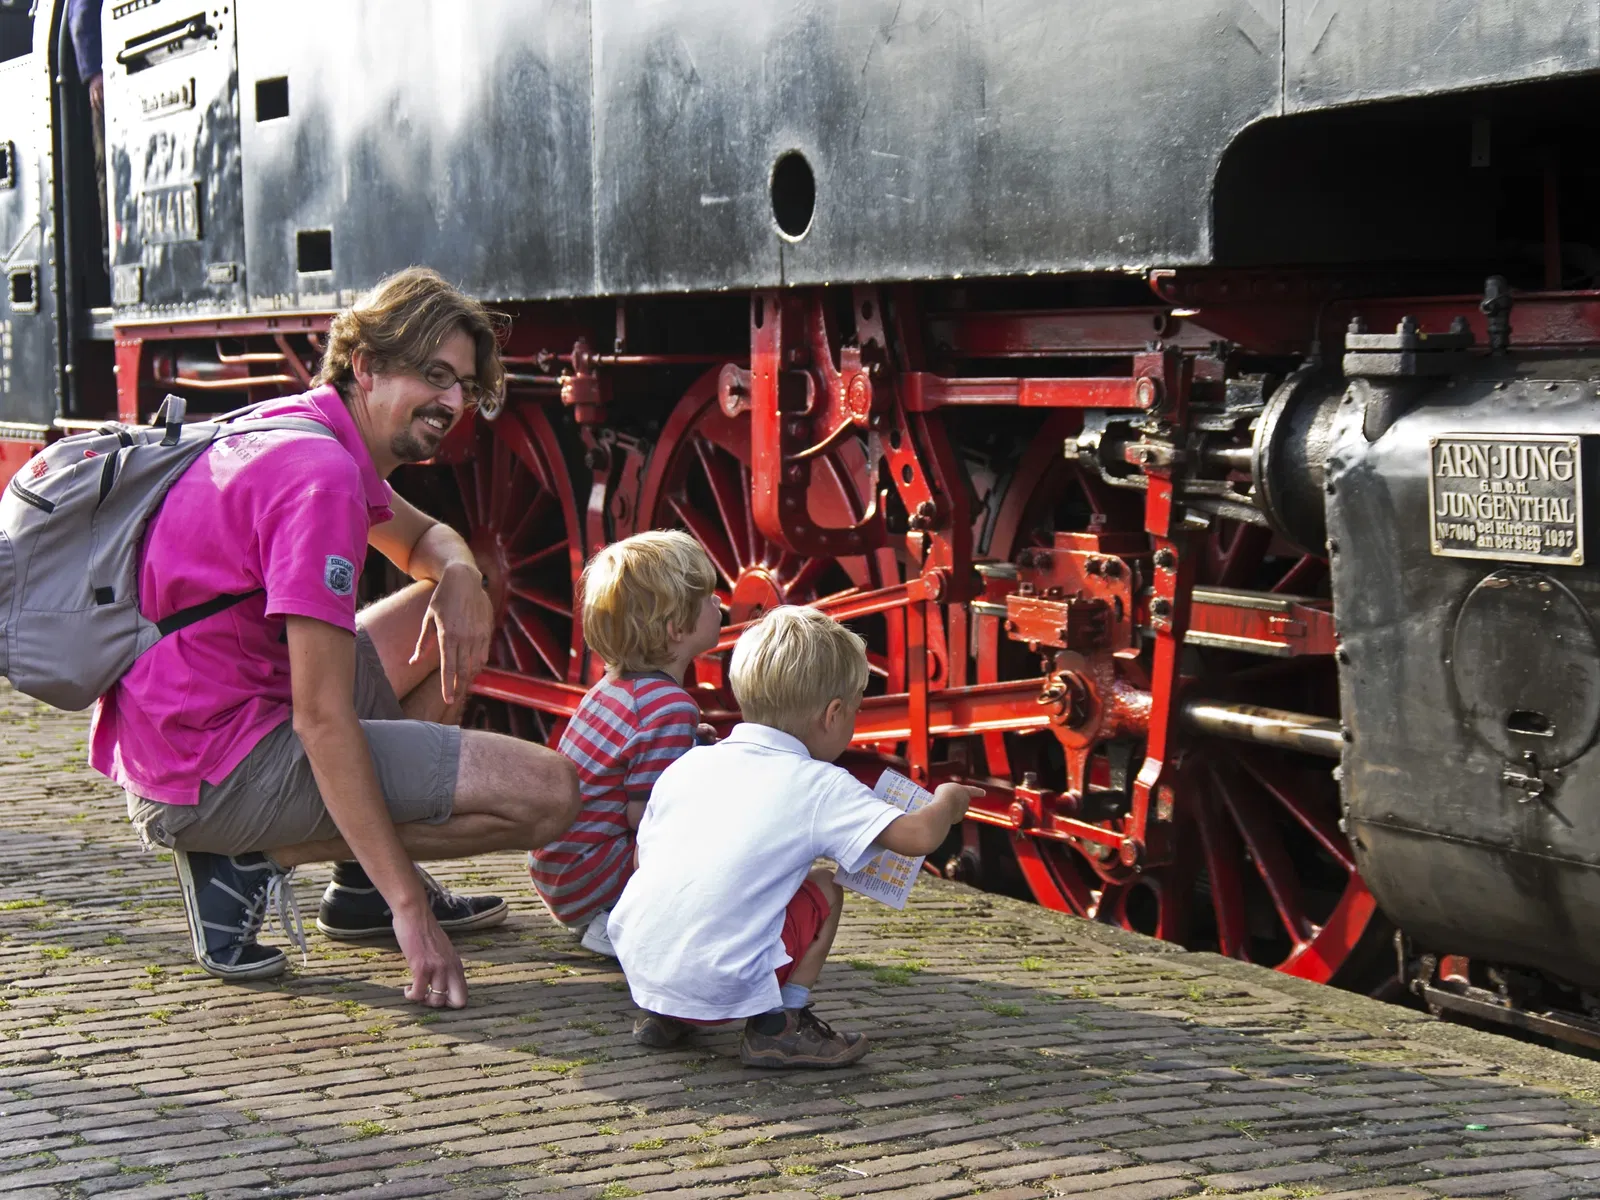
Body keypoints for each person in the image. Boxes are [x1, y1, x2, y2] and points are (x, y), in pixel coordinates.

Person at [89, 267, 580, 1008]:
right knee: (551, 795)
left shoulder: (306, 424)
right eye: (433, 376)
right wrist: (416, 915)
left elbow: (426, 541)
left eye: (463, 386)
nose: (451, 402)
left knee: (437, 612)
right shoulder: (322, 479)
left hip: (190, 723)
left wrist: (464, 579)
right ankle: (252, 860)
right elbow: (321, 718)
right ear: (368, 365)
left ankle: (361, 887)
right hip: (210, 768)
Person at [609, 605, 983, 1068]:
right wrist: (947, 800)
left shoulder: (687, 764)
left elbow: (646, 861)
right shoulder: (819, 783)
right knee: (826, 885)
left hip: (644, 970)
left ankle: (667, 1016)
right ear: (833, 714)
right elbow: (920, 835)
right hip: (725, 980)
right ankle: (779, 1027)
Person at [529, 531, 720, 956]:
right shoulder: (671, 707)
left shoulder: (612, 687)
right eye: (708, 597)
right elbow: (647, 816)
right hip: (593, 881)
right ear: (676, 628)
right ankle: (624, 924)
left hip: (560, 868)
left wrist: (688, 750)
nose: (719, 603)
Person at [65, 0, 107, 273]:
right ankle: (110, 260)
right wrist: (93, 72)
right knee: (109, 167)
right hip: (109, 73)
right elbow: (81, 11)